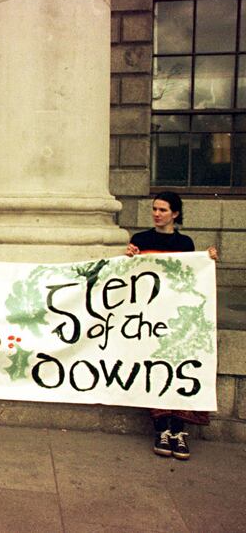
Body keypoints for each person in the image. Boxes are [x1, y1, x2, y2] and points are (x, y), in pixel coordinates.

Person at [126, 191, 218, 460]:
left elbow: (189, 275)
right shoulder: (140, 240)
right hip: (151, 318)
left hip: (177, 317)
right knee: (156, 369)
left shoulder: (185, 243)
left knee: (179, 369)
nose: (157, 213)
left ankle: (178, 431)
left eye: (163, 210)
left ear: (175, 214)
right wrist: (128, 258)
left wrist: (206, 259)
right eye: (154, 209)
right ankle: (161, 430)